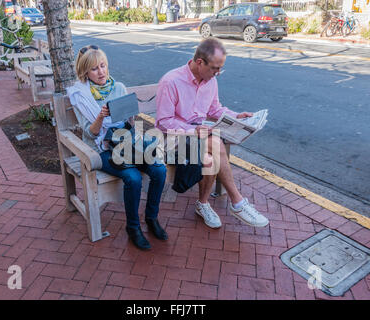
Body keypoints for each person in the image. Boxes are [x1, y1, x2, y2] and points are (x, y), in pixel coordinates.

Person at [156, 37, 269, 229]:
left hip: (199, 139)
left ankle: (203, 204)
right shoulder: (171, 81)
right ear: (199, 62)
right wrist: (193, 130)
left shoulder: (210, 81)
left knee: (209, 157)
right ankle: (238, 202)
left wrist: (237, 116)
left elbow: (215, 109)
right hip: (170, 139)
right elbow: (163, 121)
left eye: (220, 68)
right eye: (215, 68)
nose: (218, 73)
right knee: (215, 144)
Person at [67, 45, 168, 250]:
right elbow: (90, 133)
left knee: (159, 169)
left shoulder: (118, 87)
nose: (101, 72)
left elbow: (129, 122)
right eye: (94, 69)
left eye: (103, 66)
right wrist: (101, 116)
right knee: (133, 177)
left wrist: (130, 113)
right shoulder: (81, 95)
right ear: (85, 71)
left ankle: (151, 218)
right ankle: (133, 228)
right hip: (101, 149)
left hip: (125, 141)